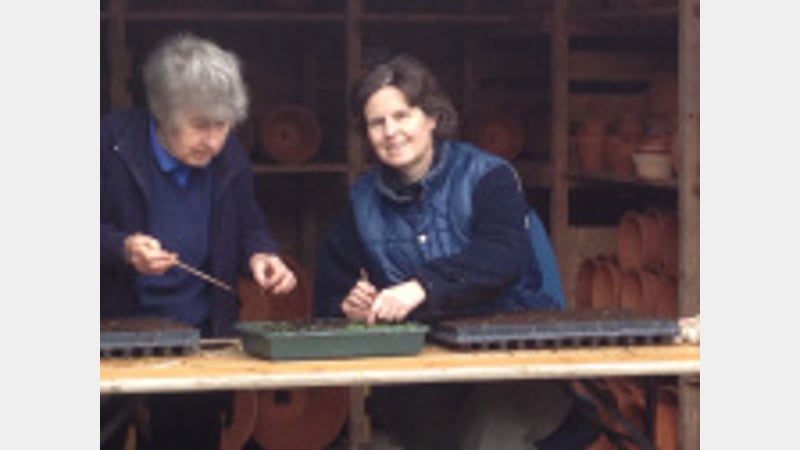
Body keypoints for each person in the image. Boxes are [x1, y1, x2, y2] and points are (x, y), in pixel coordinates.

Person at [314, 54, 598, 450]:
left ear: (431, 117)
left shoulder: (488, 176)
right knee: (419, 424)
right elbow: (331, 289)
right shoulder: (361, 200)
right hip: (425, 373)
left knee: (487, 429)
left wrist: (423, 287)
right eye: (377, 123)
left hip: (515, 365)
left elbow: (502, 255)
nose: (390, 131)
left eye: (402, 115)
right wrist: (348, 306)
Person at [100, 32, 297, 450]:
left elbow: (249, 226)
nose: (213, 139)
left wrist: (261, 255)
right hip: (108, 334)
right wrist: (122, 248)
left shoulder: (230, 158)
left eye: (222, 126)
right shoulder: (108, 145)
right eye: (200, 126)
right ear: (163, 113)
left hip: (198, 336)